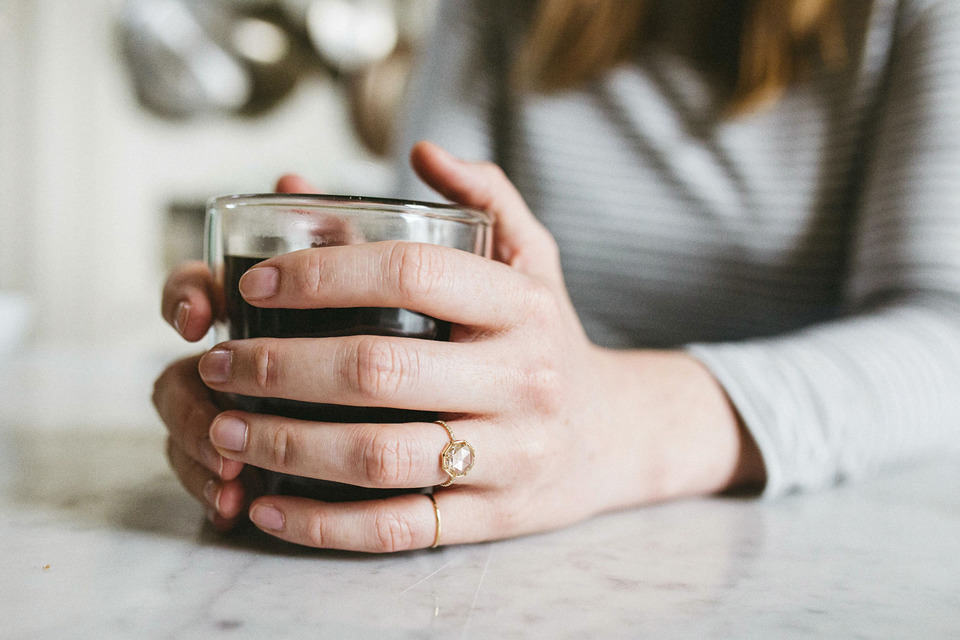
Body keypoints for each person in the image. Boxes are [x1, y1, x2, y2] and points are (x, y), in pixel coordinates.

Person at [152, 0, 960, 552]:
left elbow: (943, 333)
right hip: (514, 533)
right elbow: (421, 246)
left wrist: (615, 426)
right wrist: (317, 314)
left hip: (805, 540)